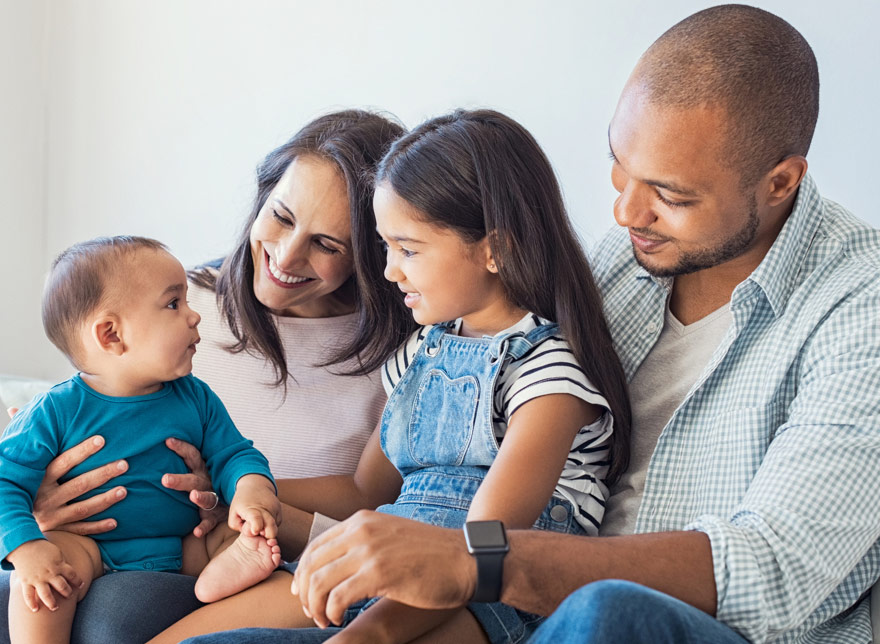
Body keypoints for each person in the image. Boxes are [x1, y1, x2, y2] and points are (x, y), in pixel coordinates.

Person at [184, 6, 880, 644]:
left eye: (670, 195)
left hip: (637, 620)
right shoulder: (626, 261)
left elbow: (773, 570)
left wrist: (477, 560)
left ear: (781, 182)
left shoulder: (860, 307)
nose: (625, 215)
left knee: (608, 612)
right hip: (517, 597)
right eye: (619, 166)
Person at [148, 109, 632, 644]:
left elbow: (483, 550)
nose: (387, 271)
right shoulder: (419, 353)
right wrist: (240, 488)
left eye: (407, 250)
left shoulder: (547, 376)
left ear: (496, 249)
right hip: (383, 562)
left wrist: (365, 636)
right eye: (384, 247)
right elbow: (364, 489)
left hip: (484, 594)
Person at [0, 110, 413, 644]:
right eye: (281, 216)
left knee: (114, 620)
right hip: (87, 544)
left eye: (328, 244)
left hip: (229, 550)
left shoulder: (404, 355)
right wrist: (37, 514)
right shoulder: (173, 302)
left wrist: (235, 495)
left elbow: (369, 502)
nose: (286, 256)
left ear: (372, 251)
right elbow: (75, 411)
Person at [0, 236, 282, 643]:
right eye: (174, 304)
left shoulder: (196, 397)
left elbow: (234, 453)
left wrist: (252, 493)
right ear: (111, 335)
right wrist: (28, 552)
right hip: (90, 548)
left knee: (240, 536)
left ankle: (221, 575)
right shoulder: (55, 410)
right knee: (45, 585)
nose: (194, 316)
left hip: (186, 544)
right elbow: (6, 483)